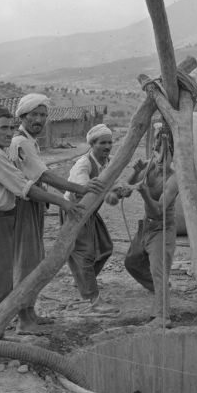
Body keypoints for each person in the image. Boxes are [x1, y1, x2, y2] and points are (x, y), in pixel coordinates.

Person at [0, 105, 84, 337]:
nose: (9, 133)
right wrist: (64, 202)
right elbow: (26, 187)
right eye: (3, 128)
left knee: (0, 287)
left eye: (11, 128)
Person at [7, 93, 104, 334]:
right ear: (23, 116)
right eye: (34, 115)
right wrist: (76, 190)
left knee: (33, 260)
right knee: (26, 263)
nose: (39, 119)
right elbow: (43, 176)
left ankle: (30, 313)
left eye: (43, 115)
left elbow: (41, 175)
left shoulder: (29, 140)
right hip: (24, 207)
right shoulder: (21, 143)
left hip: (33, 205)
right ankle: (24, 320)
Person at [122, 124, 178, 328]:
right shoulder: (148, 166)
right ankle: (160, 289)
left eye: (165, 148)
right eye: (156, 143)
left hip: (162, 228)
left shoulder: (173, 179)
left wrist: (144, 192)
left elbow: (158, 211)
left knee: (158, 270)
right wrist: (133, 175)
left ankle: (163, 317)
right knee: (132, 262)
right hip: (146, 226)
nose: (159, 151)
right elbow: (125, 191)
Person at [60, 123, 118, 314]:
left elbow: (108, 191)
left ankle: (83, 281)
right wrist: (108, 193)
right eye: (103, 143)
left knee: (106, 247)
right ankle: (93, 299)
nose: (107, 146)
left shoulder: (106, 162)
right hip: (77, 210)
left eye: (110, 142)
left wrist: (117, 191)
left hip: (90, 211)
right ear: (92, 144)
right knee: (84, 253)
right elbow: (85, 189)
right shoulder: (83, 164)